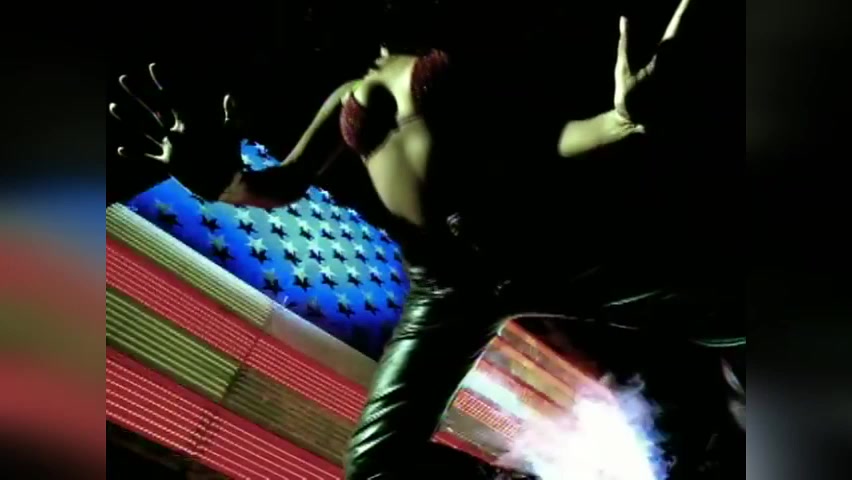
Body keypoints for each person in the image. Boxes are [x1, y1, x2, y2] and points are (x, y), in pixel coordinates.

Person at [110, 1, 740, 478]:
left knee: (726, 313)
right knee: (375, 465)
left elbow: (545, 138)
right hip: (442, 288)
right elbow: (281, 184)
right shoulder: (346, 93)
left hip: (522, 252)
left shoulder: (458, 57)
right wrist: (222, 182)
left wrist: (619, 121)